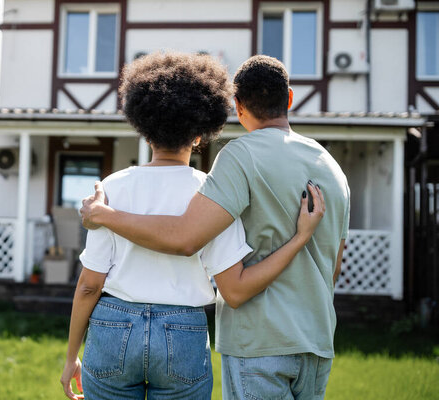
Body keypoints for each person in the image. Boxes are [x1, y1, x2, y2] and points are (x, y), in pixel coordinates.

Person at [80, 55, 350, 400]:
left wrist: (103, 215)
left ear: (237, 106)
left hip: (259, 341)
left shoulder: (241, 155)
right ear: (290, 98)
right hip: (317, 340)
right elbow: (334, 268)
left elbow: (185, 237)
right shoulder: (332, 168)